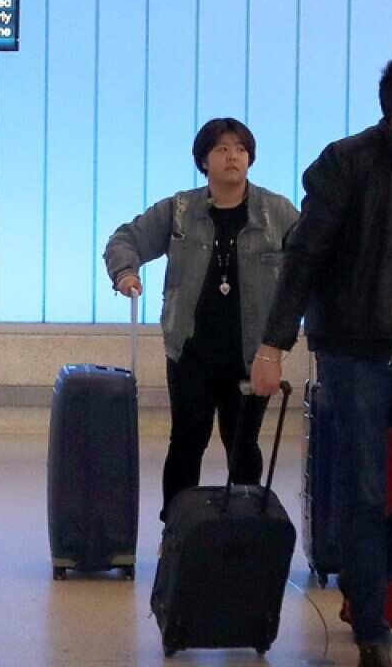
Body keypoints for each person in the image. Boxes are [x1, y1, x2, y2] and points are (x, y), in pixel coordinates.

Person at [252, 53, 392, 667]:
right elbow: (304, 258)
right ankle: (372, 631)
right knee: (362, 490)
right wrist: (273, 345)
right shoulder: (345, 162)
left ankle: (366, 572)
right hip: (357, 354)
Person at [104, 117, 299, 522]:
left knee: (243, 445)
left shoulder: (276, 211)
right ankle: (176, 530)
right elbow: (125, 239)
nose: (233, 157)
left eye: (240, 149)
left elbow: (310, 258)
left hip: (252, 353)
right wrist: (125, 273)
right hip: (191, 350)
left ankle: (245, 530)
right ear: (203, 160)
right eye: (222, 149)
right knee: (186, 441)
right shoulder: (179, 211)